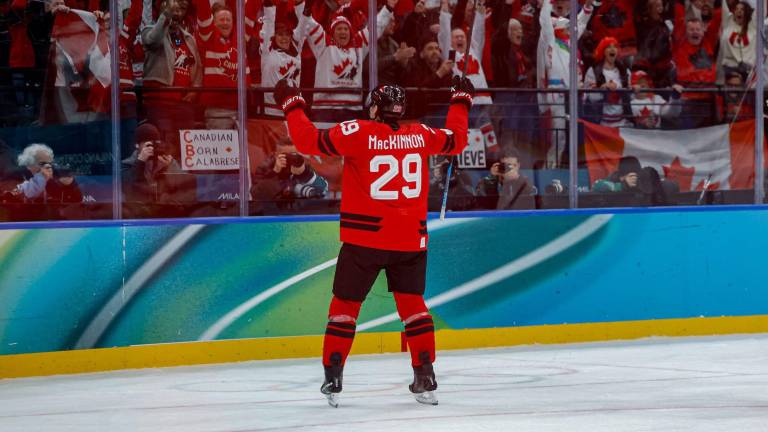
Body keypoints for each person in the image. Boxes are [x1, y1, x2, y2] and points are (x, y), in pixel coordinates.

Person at [273, 75, 474, 407]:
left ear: (377, 108)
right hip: (410, 239)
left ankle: (333, 377)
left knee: (345, 308)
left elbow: (308, 141)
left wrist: (291, 103)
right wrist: (461, 101)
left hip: (364, 239)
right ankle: (425, 374)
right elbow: (457, 139)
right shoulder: (420, 134)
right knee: (413, 308)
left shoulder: (358, 132)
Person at [121, 122, 196, 218]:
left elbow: (185, 190)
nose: (152, 148)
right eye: (148, 144)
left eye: (155, 143)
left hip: (165, 215)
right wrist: (140, 161)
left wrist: (170, 167)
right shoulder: (127, 164)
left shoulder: (165, 161)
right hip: (137, 216)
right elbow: (129, 190)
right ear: (137, 145)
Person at [251, 137, 329, 213]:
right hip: (272, 215)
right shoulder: (265, 168)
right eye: (285, 156)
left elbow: (322, 191)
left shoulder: (302, 167)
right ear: (275, 155)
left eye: (293, 155)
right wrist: (274, 173)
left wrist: (304, 174)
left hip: (299, 214)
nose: (289, 159)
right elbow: (257, 196)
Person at [583, 36, 632, 128]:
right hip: (600, 123)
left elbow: (629, 95)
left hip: (623, 123)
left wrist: (633, 88)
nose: (613, 49)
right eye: (609, 47)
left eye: (615, 46)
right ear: (603, 51)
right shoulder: (593, 71)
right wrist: (603, 88)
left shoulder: (624, 71)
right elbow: (588, 96)